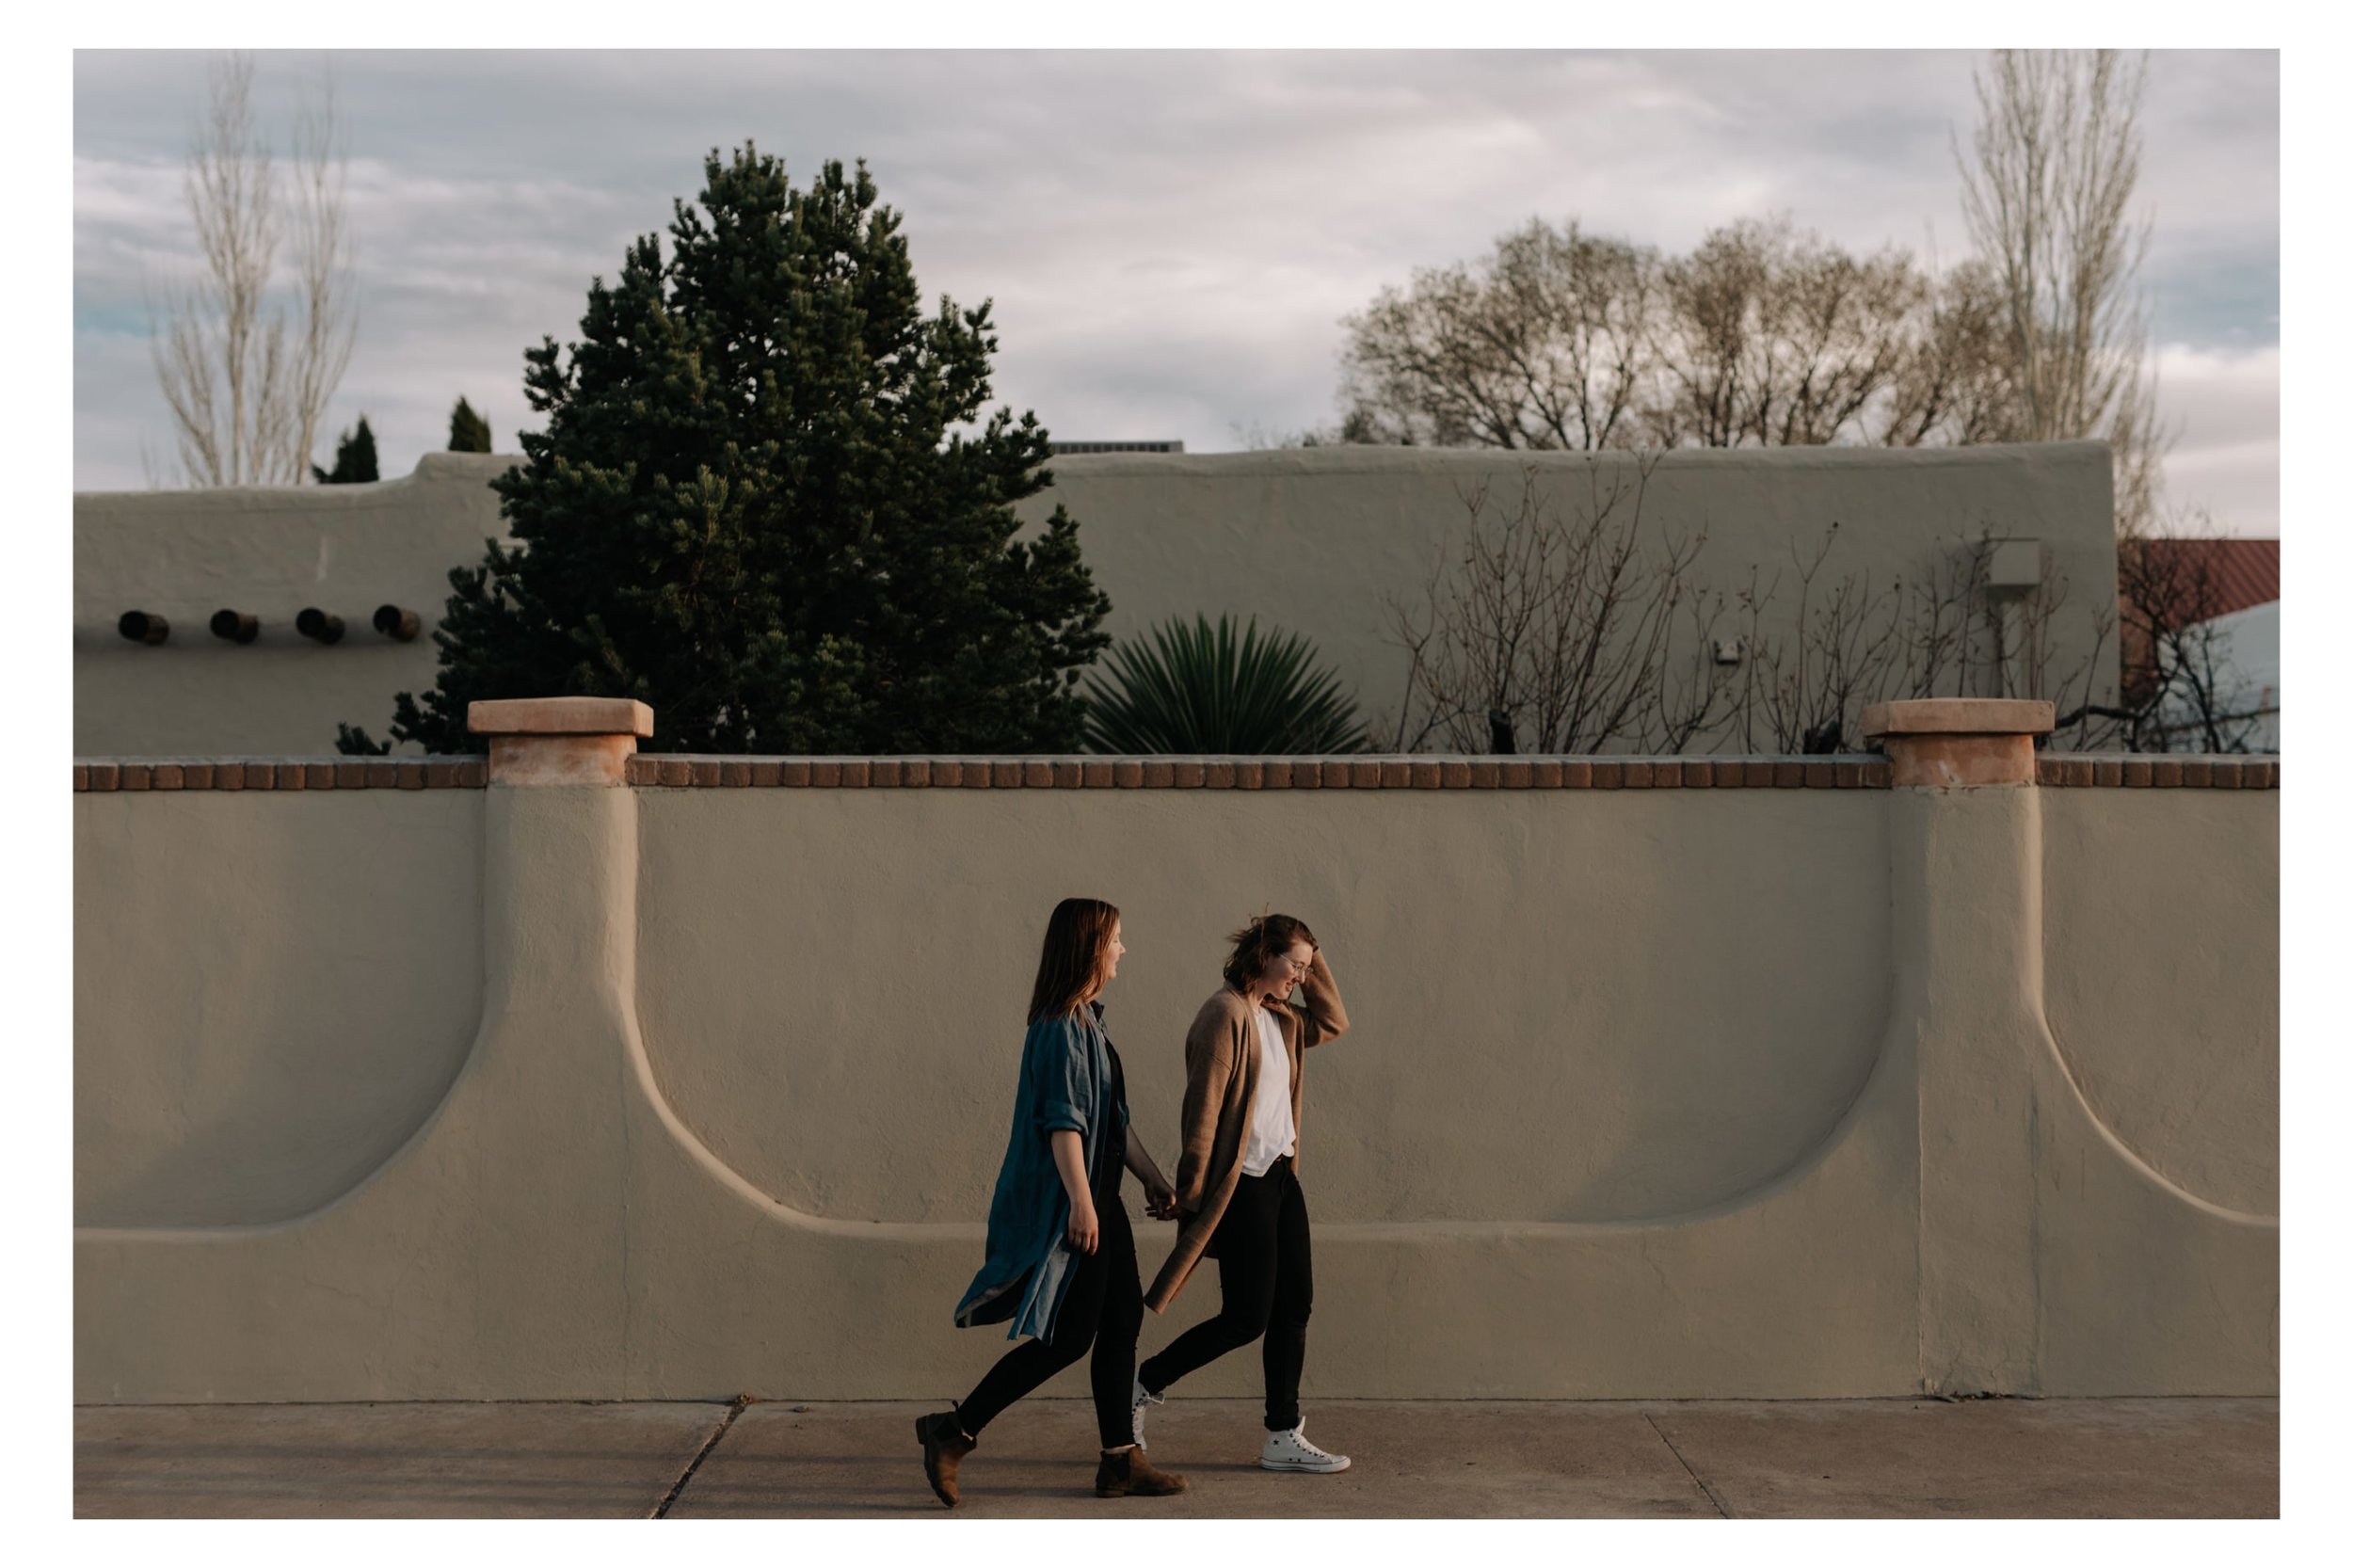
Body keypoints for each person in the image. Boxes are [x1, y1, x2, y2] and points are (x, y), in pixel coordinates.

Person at [918, 898, 1189, 1507]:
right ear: (1092, 947)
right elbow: (1062, 1125)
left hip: (1098, 1195)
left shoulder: (1090, 1023)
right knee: (1069, 1337)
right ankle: (952, 1432)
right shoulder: (1059, 1027)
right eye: (1116, 939)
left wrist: (1152, 1178)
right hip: (1075, 1200)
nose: (1123, 950)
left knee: (1122, 1322)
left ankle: (1120, 1461)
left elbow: (1111, 1123)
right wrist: (1081, 1204)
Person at [1134, 913, 1353, 1474]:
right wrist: (1188, 1191)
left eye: (1308, 968)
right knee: (1246, 1317)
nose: (1302, 979)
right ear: (1264, 955)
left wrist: (1312, 956)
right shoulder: (1225, 1014)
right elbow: (1201, 1110)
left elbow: (1334, 1020)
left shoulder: (1280, 1017)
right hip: (1242, 1186)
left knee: (1295, 1305)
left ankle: (1282, 1433)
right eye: (1295, 966)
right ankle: (1142, 1383)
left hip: (1281, 1177)